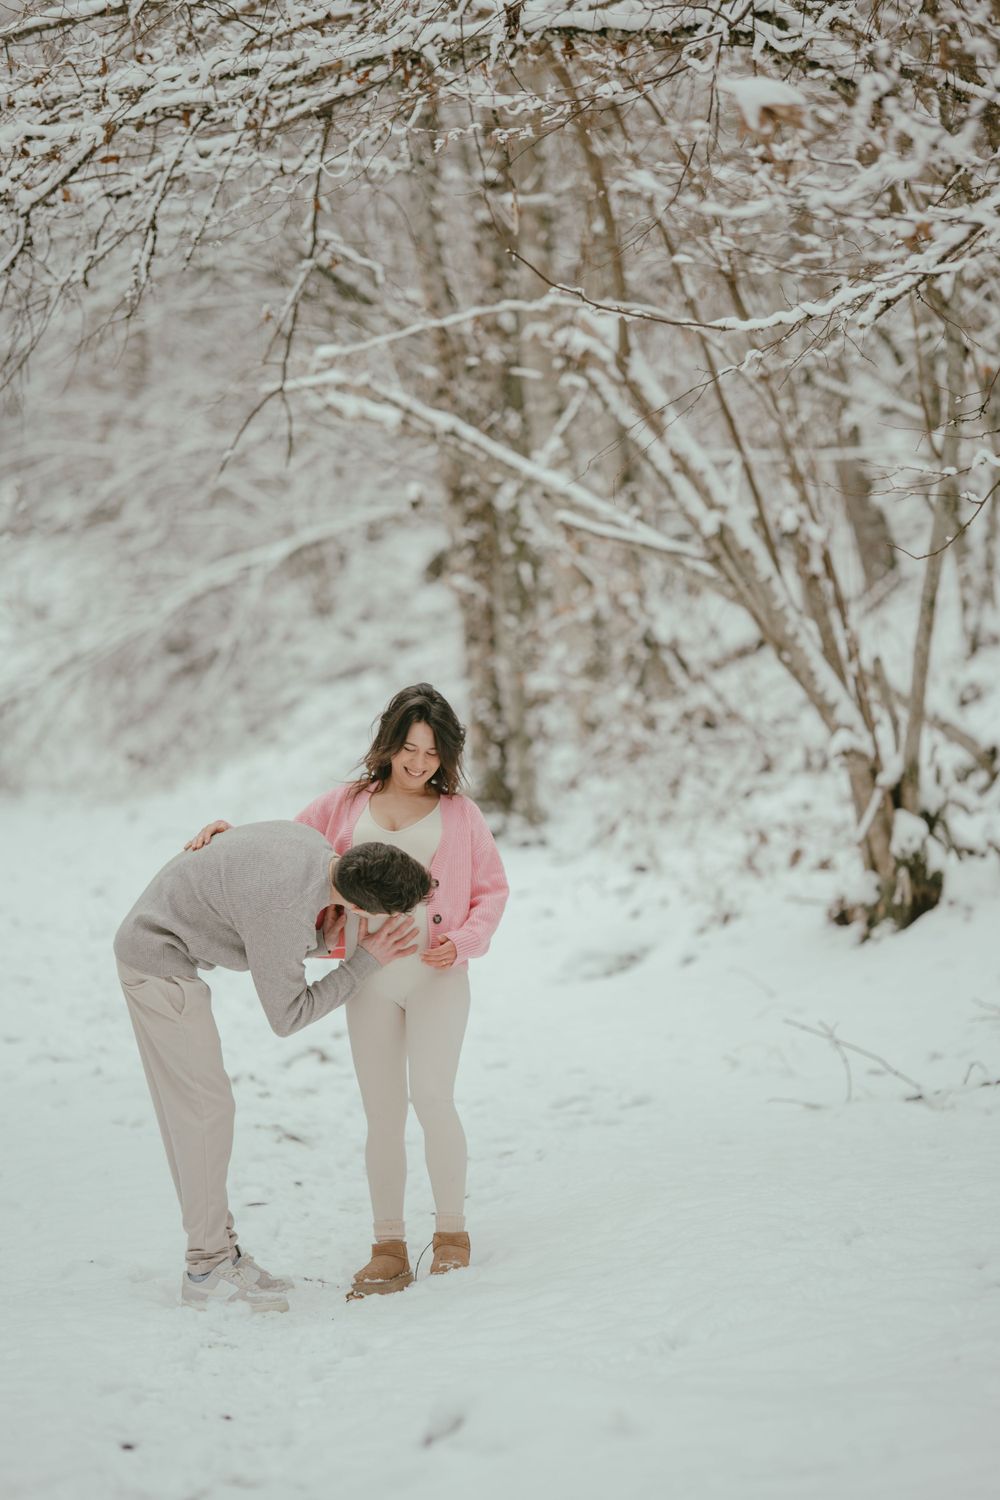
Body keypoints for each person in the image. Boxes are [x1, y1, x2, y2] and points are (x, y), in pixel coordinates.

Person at [186, 684, 509, 1297]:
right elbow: (281, 848)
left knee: (434, 1099)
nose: (419, 763)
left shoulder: (461, 815)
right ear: (389, 745)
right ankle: (387, 1246)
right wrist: (226, 837)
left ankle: (451, 1237)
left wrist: (463, 942)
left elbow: (492, 891)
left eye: (433, 754)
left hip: (438, 976)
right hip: (368, 978)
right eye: (409, 748)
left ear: (448, 758)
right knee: (381, 1113)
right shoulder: (345, 804)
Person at [114, 819, 431, 1311]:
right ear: (361, 906)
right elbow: (287, 1015)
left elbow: (248, 890)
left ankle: (221, 1252)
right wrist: (366, 960)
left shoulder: (310, 842)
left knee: (201, 1112)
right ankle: (206, 1268)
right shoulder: (281, 911)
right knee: (203, 1114)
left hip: (164, 950)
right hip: (158, 963)